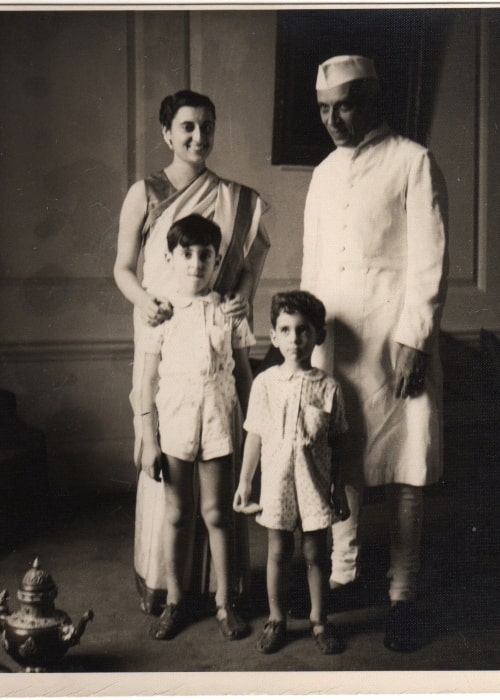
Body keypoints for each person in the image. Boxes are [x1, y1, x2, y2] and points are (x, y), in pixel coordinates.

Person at [301, 55, 448, 652]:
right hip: (337, 341)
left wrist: (414, 338)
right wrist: (309, 351)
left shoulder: (413, 161)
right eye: (323, 109)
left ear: (373, 101)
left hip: (394, 337)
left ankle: (403, 593)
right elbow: (312, 266)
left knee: (405, 464)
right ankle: (343, 574)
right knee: (341, 458)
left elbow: (429, 260)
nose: (334, 119)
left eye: (346, 105)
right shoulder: (323, 172)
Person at [113, 89, 269, 615]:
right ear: (167, 133)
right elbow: (122, 268)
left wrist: (244, 297)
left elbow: (251, 256)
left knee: (218, 499)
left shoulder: (233, 197)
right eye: (187, 127)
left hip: (214, 332)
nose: (198, 137)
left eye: (207, 126)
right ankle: (170, 591)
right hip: (162, 324)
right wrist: (145, 303)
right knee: (172, 491)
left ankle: (223, 597)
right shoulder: (146, 192)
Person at [138, 213, 254, 640]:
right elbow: (148, 381)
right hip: (175, 421)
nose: (195, 263)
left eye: (205, 255)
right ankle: (174, 599)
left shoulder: (229, 312)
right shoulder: (161, 314)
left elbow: (243, 375)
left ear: (216, 257)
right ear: (171, 257)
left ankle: (225, 603)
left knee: (217, 513)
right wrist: (149, 439)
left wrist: (249, 428)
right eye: (186, 254)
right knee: (176, 512)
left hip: (219, 421)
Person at [233, 291, 350, 655]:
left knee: (317, 553)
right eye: (286, 330)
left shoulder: (328, 387)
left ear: (318, 336)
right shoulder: (265, 383)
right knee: (278, 552)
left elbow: (339, 443)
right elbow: (254, 434)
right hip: (277, 484)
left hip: (314, 484)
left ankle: (319, 620)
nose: (295, 339)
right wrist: (244, 482)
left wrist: (339, 490)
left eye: (303, 330)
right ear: (274, 335)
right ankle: (277, 618)